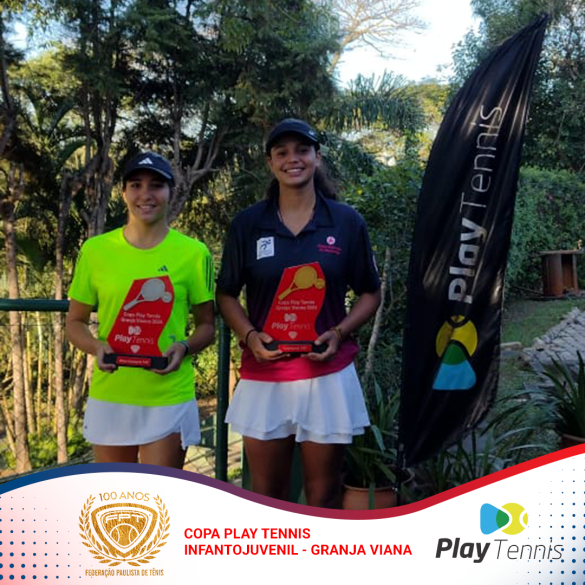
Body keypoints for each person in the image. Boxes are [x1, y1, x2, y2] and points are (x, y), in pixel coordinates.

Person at [216, 119, 381, 508]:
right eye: (282, 152)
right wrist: (250, 336)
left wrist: (339, 332)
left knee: (323, 494)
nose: (293, 159)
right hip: (265, 374)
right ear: (270, 163)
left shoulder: (346, 222)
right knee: (266, 496)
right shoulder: (248, 224)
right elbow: (225, 295)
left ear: (316, 157)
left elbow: (371, 293)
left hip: (327, 376)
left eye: (302, 150)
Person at [66, 151, 215, 468]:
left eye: (156, 185)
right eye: (135, 185)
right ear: (123, 193)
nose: (145, 194)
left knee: (159, 494)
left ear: (170, 192)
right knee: (116, 494)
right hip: (111, 395)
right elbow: (75, 323)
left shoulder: (194, 253)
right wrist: (96, 346)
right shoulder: (95, 251)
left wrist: (183, 347)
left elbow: (206, 326)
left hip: (168, 396)